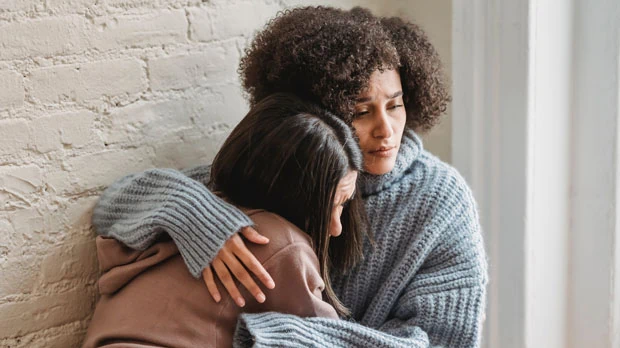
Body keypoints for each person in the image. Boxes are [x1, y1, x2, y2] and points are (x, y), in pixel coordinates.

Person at [92, 6, 488, 348]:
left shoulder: (441, 200)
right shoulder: (292, 167)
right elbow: (113, 206)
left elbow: (442, 340)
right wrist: (198, 219)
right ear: (317, 113)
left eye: (395, 106)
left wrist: (290, 337)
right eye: (362, 111)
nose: (387, 130)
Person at [82, 93, 366, 347]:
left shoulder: (204, 193)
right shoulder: (282, 243)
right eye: (331, 206)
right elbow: (326, 340)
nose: (336, 227)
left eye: (343, 205)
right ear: (291, 194)